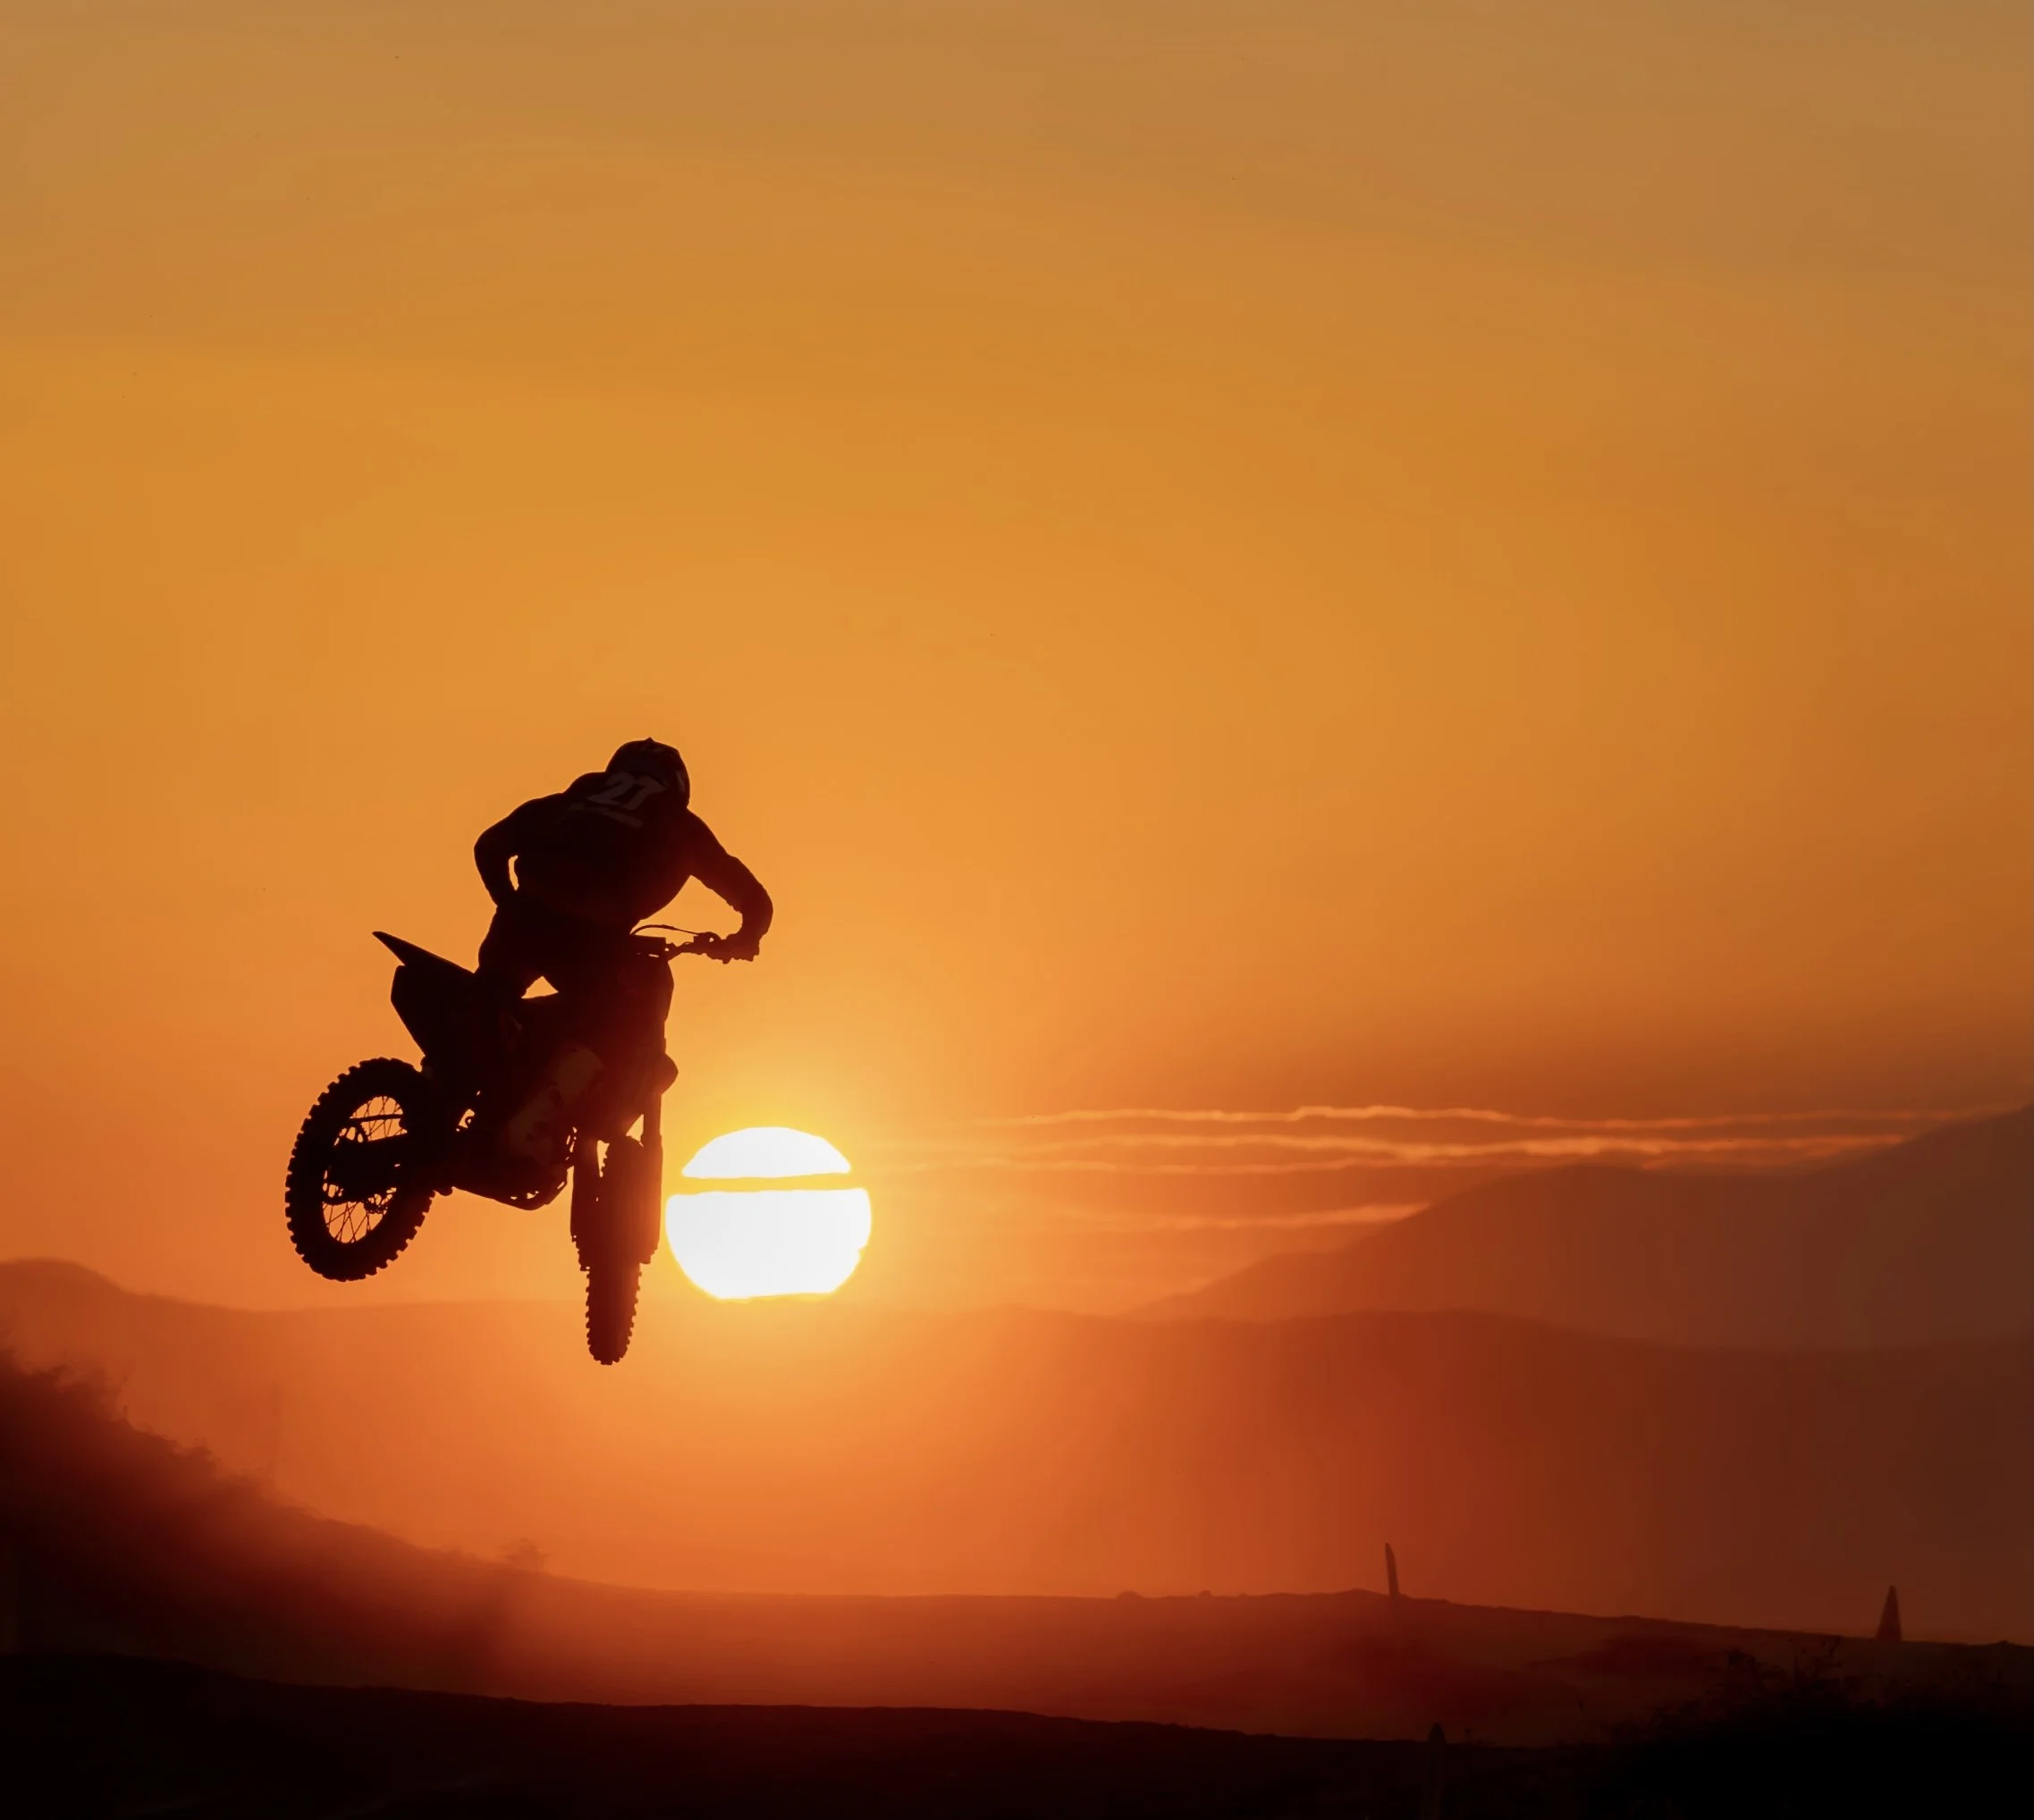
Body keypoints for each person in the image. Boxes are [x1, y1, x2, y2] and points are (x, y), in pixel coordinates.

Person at [463, 738, 772, 1105]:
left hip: (521, 924)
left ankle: (464, 1071)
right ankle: (572, 1105)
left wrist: (511, 905)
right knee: (626, 1023)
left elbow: (489, 846)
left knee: (490, 996)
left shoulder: (569, 801)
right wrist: (745, 937)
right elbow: (753, 897)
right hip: (592, 940)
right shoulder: (680, 825)